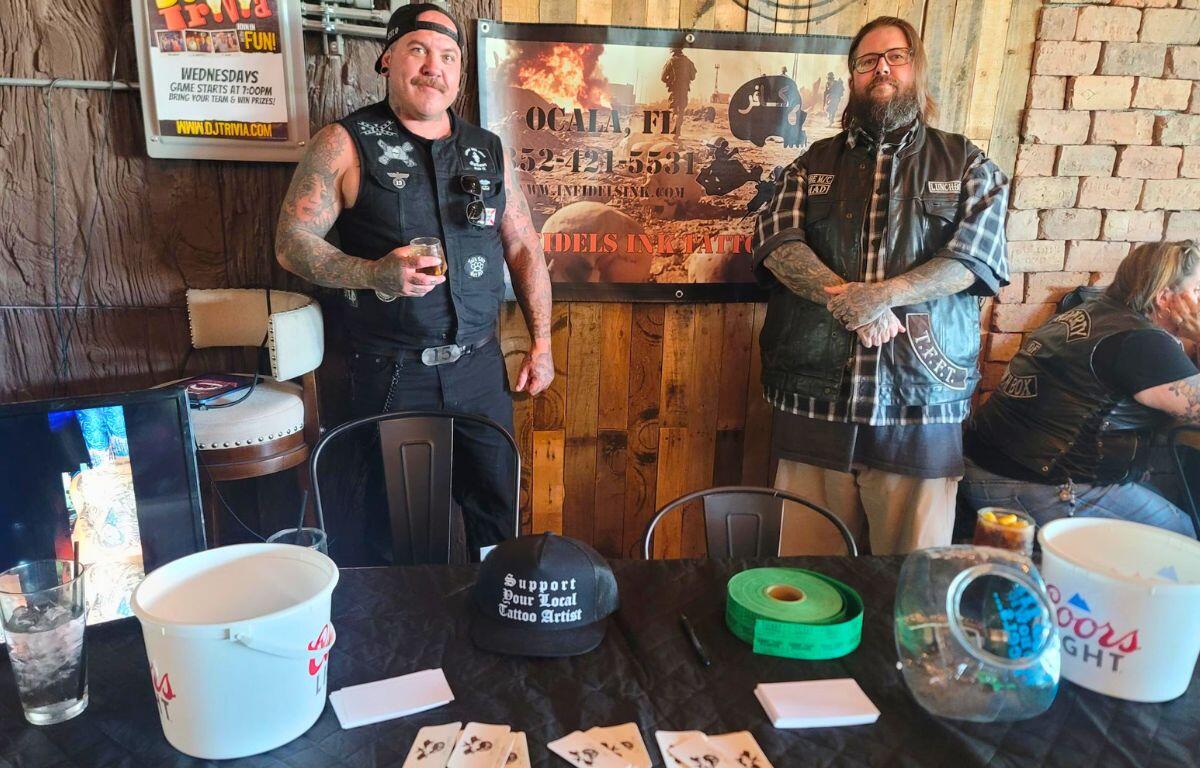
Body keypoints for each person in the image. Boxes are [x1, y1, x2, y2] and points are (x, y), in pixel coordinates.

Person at [275, 4, 553, 560]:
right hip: (384, 376)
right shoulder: (344, 141)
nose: (435, 67)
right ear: (387, 59)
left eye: (448, 56)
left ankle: (489, 629)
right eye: (419, 50)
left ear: (459, 73)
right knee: (378, 528)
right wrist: (374, 273)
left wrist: (542, 342)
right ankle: (392, 641)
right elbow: (291, 243)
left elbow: (522, 245)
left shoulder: (488, 150)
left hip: (479, 371)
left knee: (495, 516)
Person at [751, 16, 1009, 555]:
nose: (881, 68)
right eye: (867, 61)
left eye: (895, 56)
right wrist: (851, 302)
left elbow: (974, 261)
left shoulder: (968, 165)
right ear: (853, 78)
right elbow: (777, 246)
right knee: (807, 583)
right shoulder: (809, 164)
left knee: (911, 584)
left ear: (916, 68)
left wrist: (884, 295)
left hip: (923, 402)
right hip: (816, 401)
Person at [962, 241, 1200, 537]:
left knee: (1157, 496)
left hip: (985, 465)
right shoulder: (1143, 342)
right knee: (1182, 535)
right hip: (1033, 484)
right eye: (1197, 292)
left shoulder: (1091, 311)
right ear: (1165, 297)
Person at [661, 46, 696, 138]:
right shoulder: (688, 61)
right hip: (684, 91)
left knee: (674, 110)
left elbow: (663, 77)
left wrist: (670, 81)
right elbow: (693, 77)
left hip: (675, 90)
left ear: (673, 51)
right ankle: (677, 131)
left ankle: (675, 130)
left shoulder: (671, 61)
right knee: (681, 110)